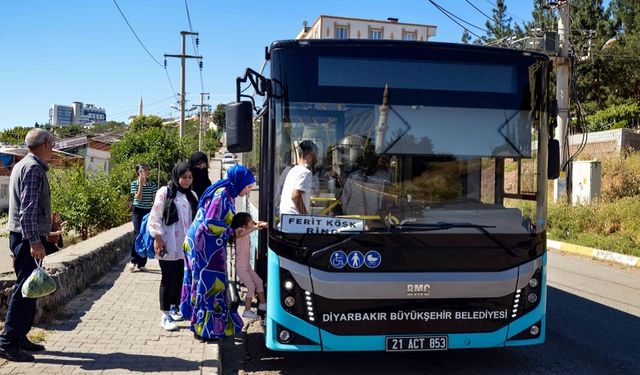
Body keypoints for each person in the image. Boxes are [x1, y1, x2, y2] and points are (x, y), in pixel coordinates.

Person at [180, 164, 256, 341]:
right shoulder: (222, 194)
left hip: (208, 244)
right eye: (249, 185)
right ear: (240, 182)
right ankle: (206, 330)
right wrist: (230, 232)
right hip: (204, 245)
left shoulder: (228, 192)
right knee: (209, 286)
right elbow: (210, 221)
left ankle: (205, 328)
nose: (250, 189)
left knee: (207, 286)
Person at [0, 129, 55, 362]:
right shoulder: (32, 168)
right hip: (26, 238)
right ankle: (7, 342)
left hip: (23, 236)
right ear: (43, 145)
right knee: (24, 290)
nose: (53, 147)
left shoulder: (24, 165)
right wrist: (34, 241)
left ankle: (20, 337)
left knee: (30, 288)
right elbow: (28, 209)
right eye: (51, 143)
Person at [147, 162, 198, 331]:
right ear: (177, 176)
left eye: (190, 177)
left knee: (179, 278)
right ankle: (165, 315)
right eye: (183, 177)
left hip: (184, 246)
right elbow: (155, 215)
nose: (186, 181)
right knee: (167, 278)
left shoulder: (192, 196)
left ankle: (175, 307)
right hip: (167, 242)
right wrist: (157, 237)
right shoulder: (165, 192)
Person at [230, 212, 268, 320]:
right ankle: (247, 310)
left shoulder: (247, 228)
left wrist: (264, 224)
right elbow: (239, 234)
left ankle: (263, 304)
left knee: (259, 282)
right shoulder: (239, 231)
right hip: (240, 268)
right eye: (250, 222)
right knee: (251, 287)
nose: (253, 223)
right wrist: (255, 228)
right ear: (243, 224)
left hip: (247, 266)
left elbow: (258, 222)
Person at [129, 164, 157, 272]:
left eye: (146, 169)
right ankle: (133, 260)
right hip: (137, 211)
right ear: (138, 172)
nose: (145, 172)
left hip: (147, 212)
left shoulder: (152, 185)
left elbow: (154, 201)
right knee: (137, 234)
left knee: (146, 235)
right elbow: (138, 198)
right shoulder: (133, 184)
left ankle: (141, 263)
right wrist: (140, 184)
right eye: (142, 170)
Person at [279, 140, 317, 216]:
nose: (317, 158)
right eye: (316, 154)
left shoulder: (293, 170)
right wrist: (305, 218)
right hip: (295, 219)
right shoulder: (305, 172)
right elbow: (295, 196)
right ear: (311, 153)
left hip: (286, 218)